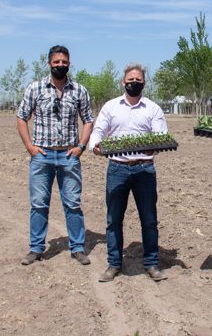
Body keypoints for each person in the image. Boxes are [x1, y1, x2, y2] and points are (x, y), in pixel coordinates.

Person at [89, 64, 169, 282]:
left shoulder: (153, 108)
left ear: (144, 82)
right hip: (117, 169)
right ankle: (114, 264)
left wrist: (156, 145)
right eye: (130, 79)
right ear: (123, 82)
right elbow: (98, 131)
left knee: (149, 219)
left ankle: (151, 263)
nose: (134, 82)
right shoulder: (111, 106)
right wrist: (95, 145)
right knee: (114, 219)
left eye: (138, 79)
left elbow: (161, 135)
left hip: (144, 169)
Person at [16, 45, 94, 266]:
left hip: (69, 156)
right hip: (42, 156)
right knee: (39, 204)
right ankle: (36, 249)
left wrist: (81, 146)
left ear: (69, 63)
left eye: (64, 62)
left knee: (73, 204)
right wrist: (30, 147)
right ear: (49, 63)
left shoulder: (79, 90)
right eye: (56, 62)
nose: (60, 65)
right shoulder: (35, 88)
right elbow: (22, 117)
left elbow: (88, 119)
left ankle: (77, 248)